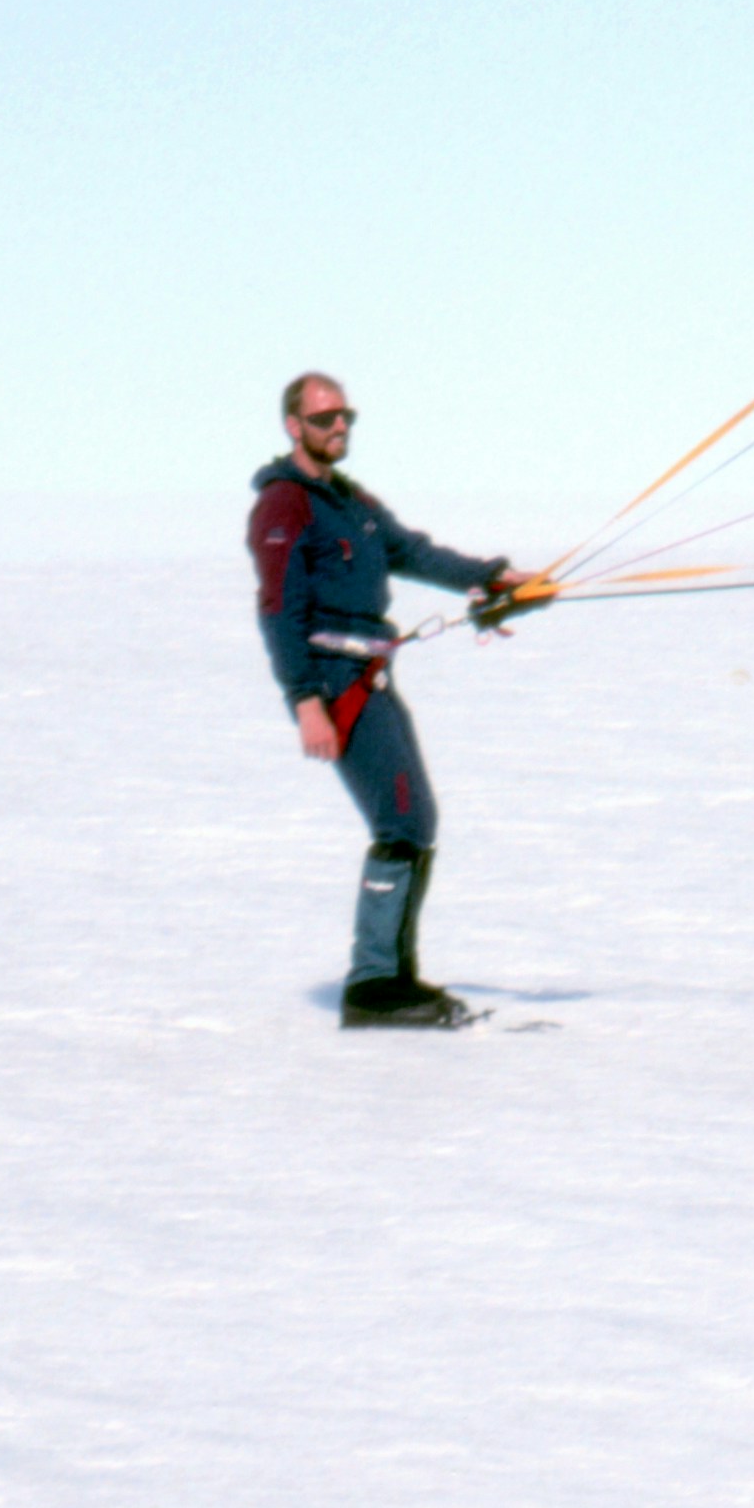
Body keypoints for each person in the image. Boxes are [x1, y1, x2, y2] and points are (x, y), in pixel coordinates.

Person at [246, 372, 531, 1029]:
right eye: (323, 418)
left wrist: (488, 576)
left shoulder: (352, 502)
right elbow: (277, 609)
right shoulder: (285, 506)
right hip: (335, 679)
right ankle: (373, 985)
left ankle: (393, 976)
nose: (338, 426)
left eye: (346, 415)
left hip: (373, 674)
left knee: (415, 819)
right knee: (402, 820)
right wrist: (304, 700)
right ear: (293, 425)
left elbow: (411, 551)